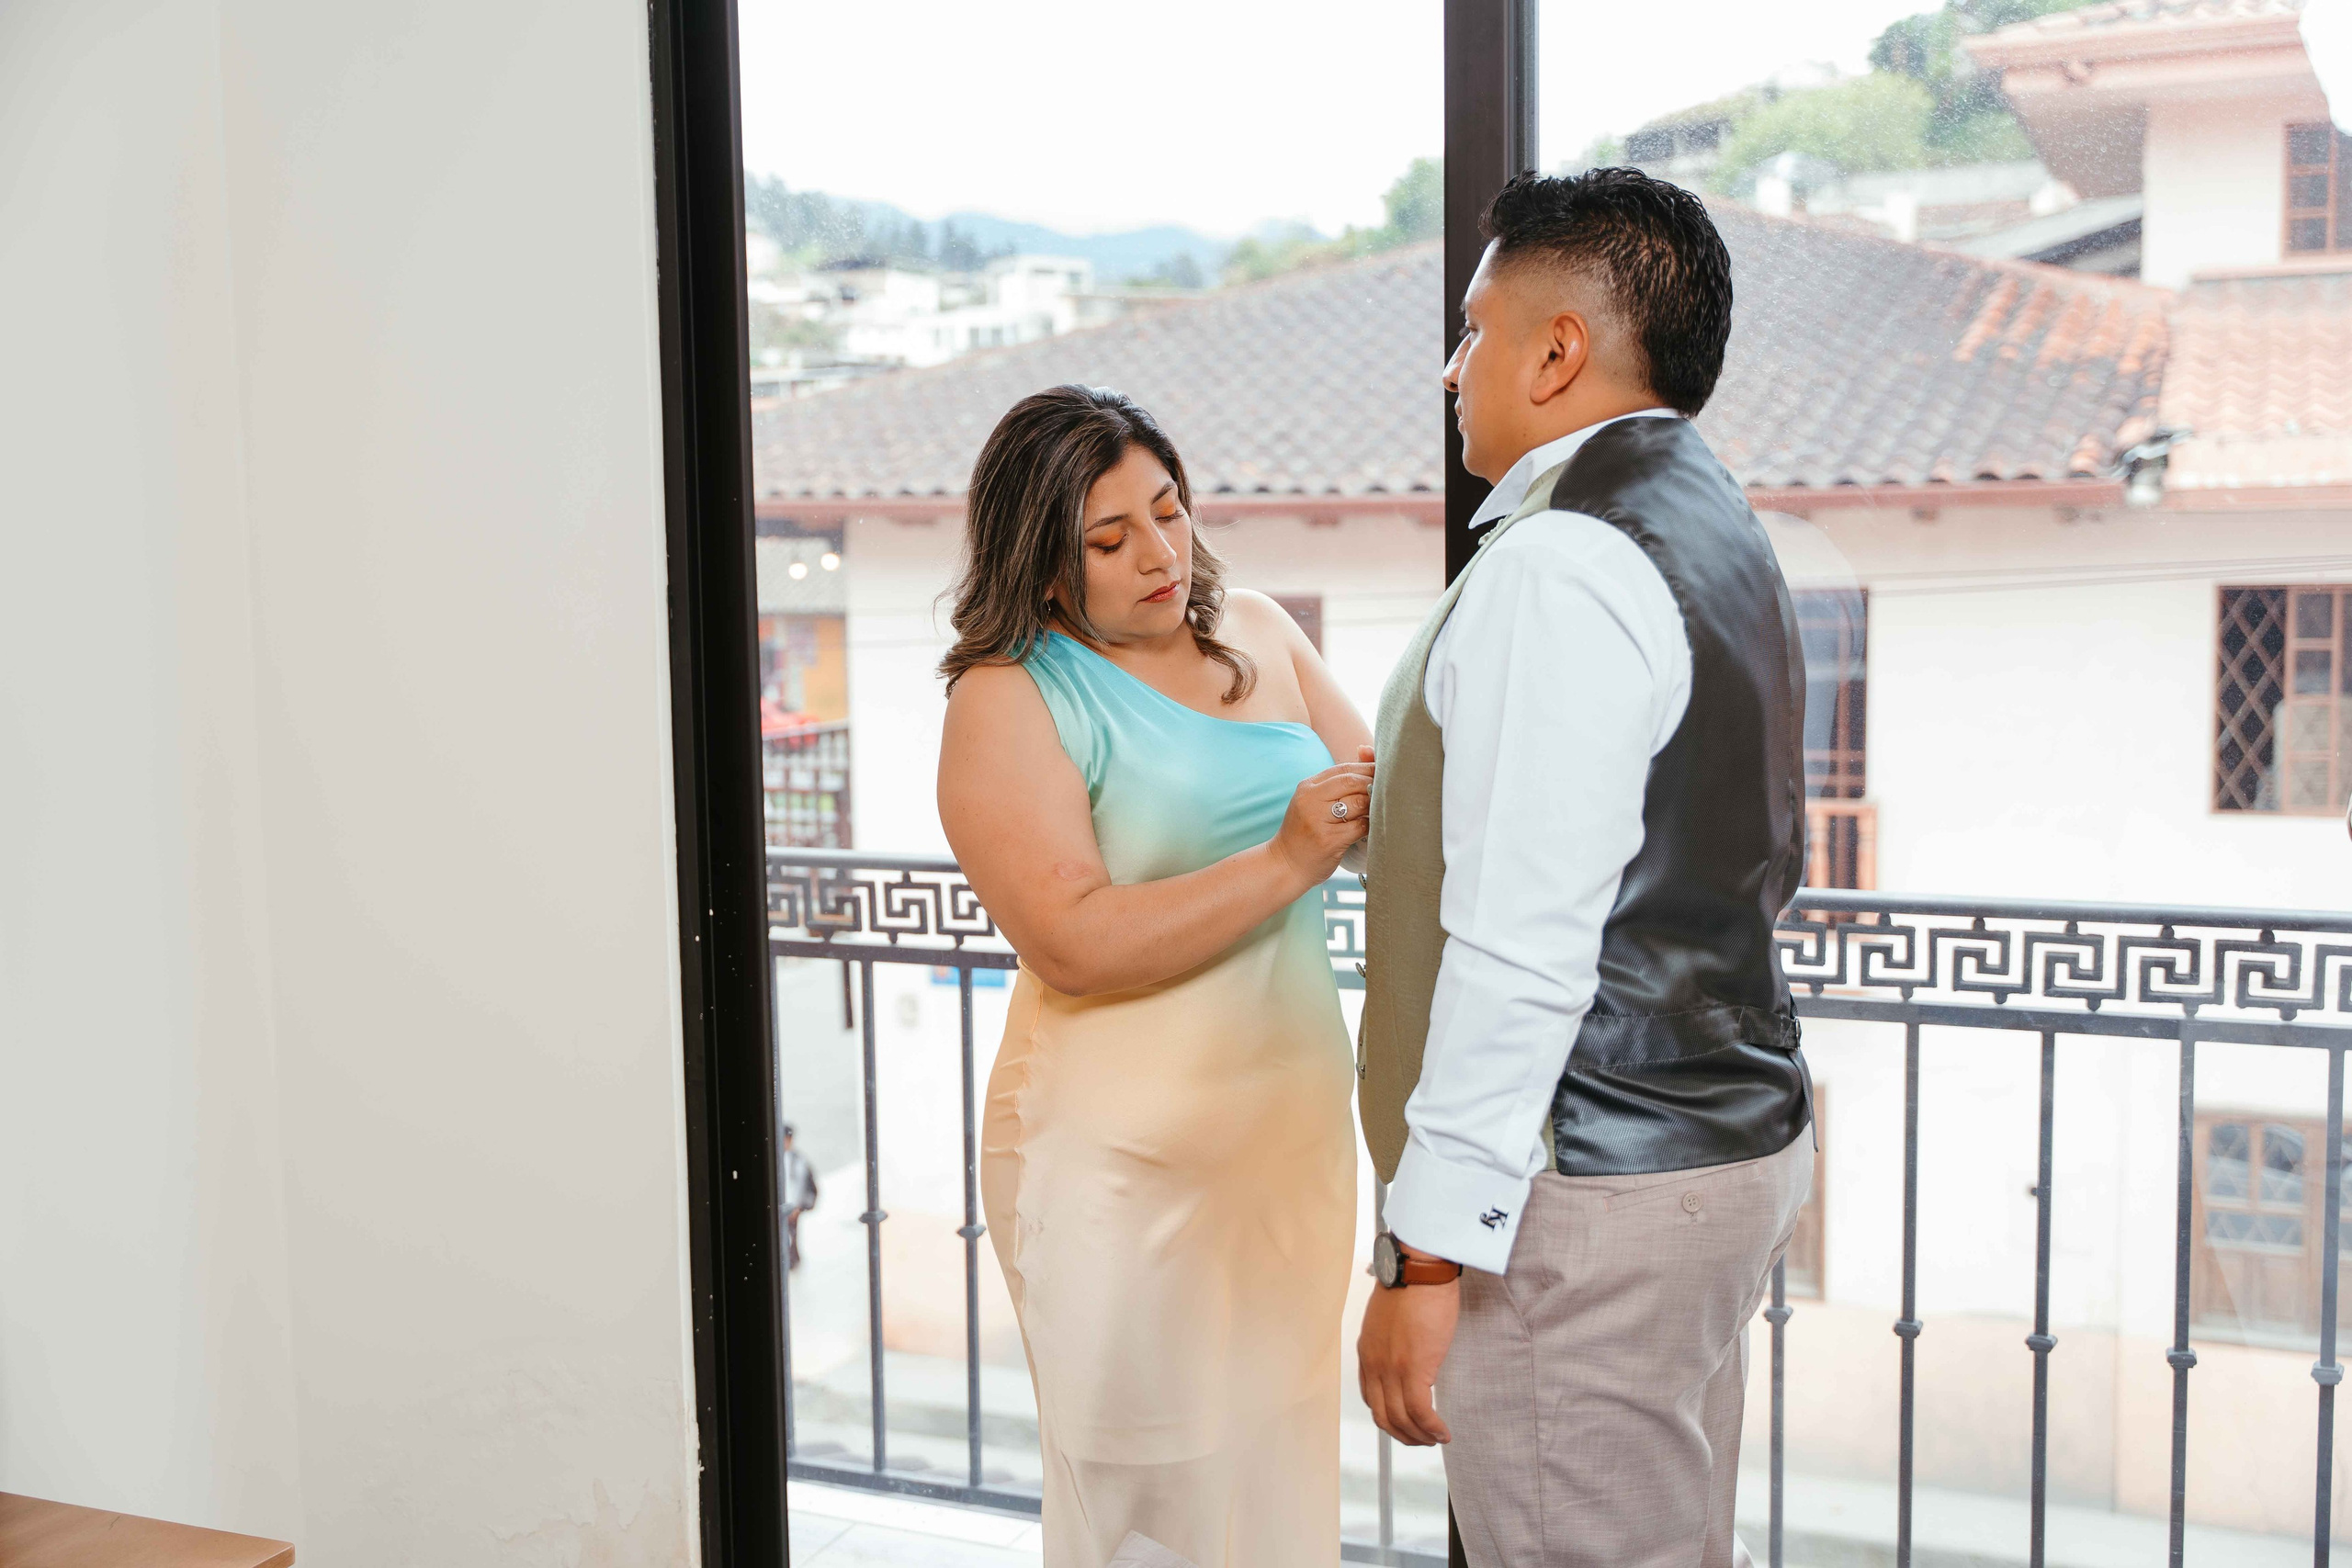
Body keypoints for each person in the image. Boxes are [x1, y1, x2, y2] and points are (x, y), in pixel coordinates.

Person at [1353, 168, 1815, 1568]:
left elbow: (1521, 942)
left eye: (1474, 328)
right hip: (1711, 1139)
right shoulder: (1714, 523)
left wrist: (1426, 1257)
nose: (1453, 368)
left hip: (1588, 1180)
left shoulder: (1564, 560)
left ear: (1557, 350)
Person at [935, 384, 1372, 1568]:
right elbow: (1070, 937)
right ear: (1040, 562)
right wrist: (1287, 858)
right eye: (1109, 537)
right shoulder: (1008, 695)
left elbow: (1378, 796)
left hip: (1283, 1154)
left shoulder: (1265, 631)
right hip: (1120, 1174)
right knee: (1150, 1521)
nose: (1159, 554)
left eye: (1169, 512)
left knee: (1274, 1491)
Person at [778, 1122, 818, 1271]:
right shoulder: (775, 1160)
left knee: (792, 1236)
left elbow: (808, 1186)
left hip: (794, 1209)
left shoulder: (799, 1161)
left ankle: (792, 1261)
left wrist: (800, 1207)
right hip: (781, 1208)